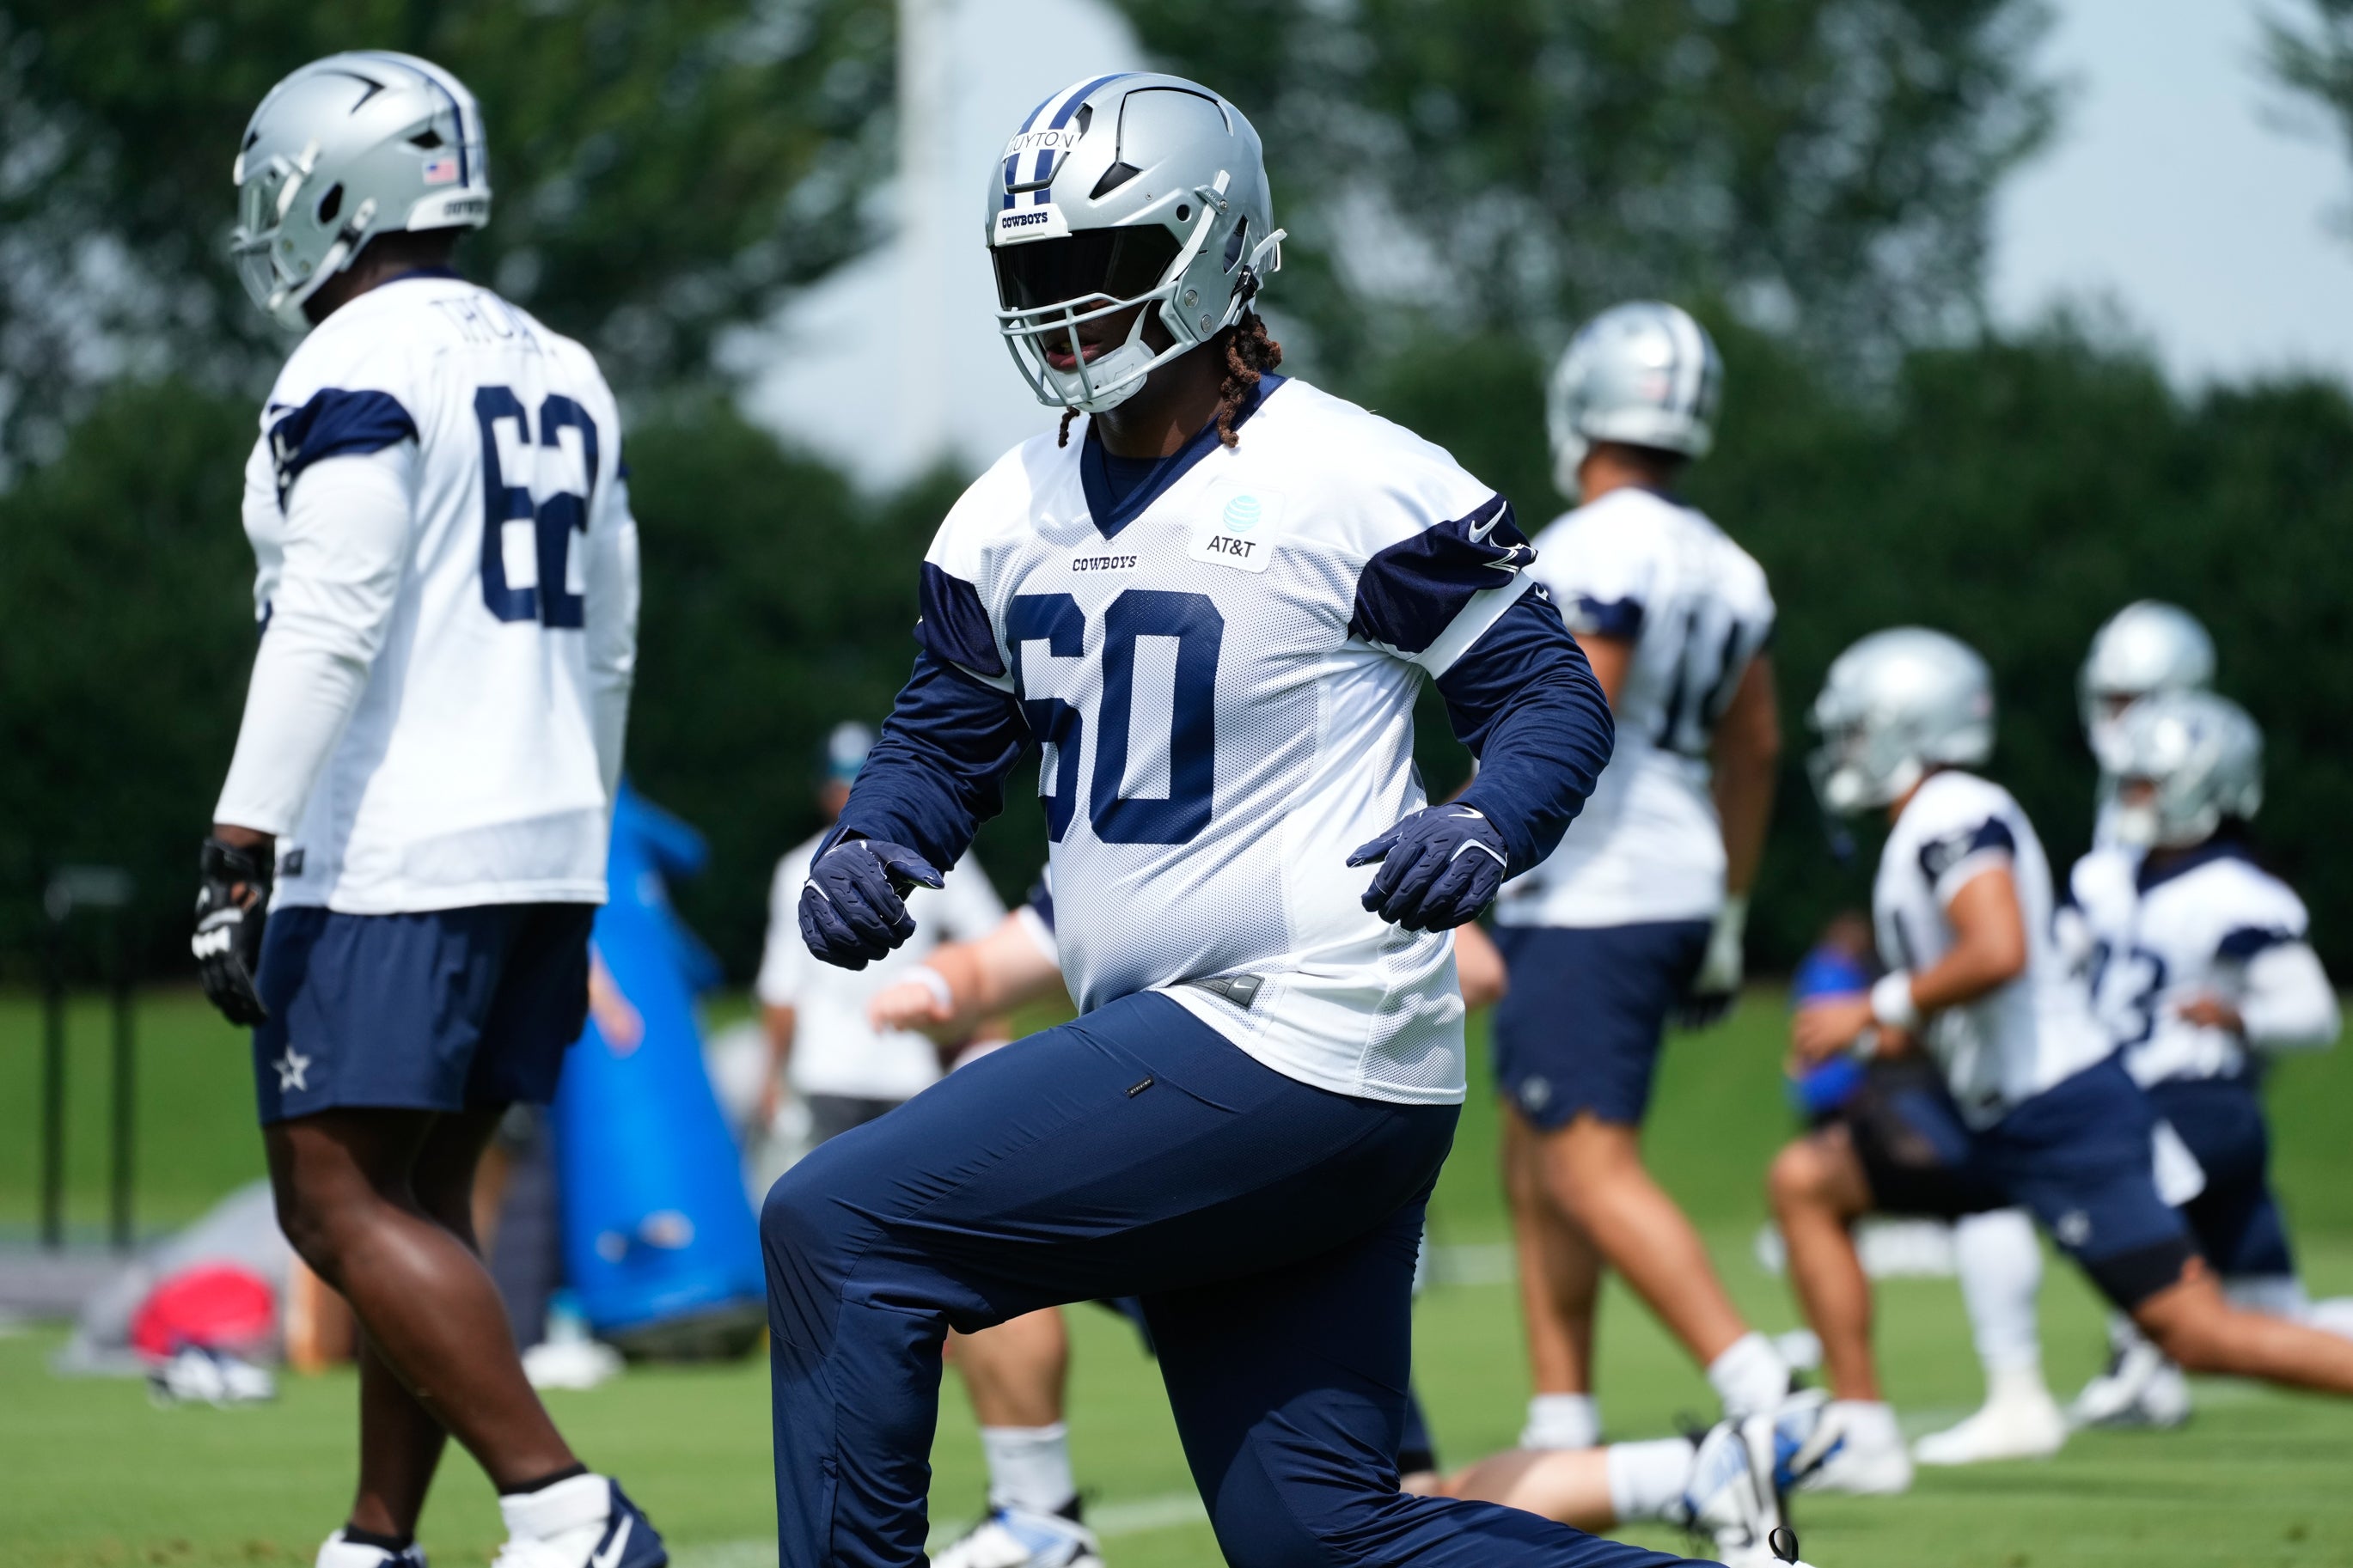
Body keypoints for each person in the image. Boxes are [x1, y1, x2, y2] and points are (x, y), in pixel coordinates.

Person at [760, 70, 1776, 1568]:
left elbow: (1547, 700)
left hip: (1292, 1028)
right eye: (1028, 276)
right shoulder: (1004, 508)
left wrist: (1488, 820)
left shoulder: (1351, 476)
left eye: (1087, 268)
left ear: (1207, 249)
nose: (1054, 309)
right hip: (1237, 1060)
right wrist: (877, 841)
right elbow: (945, 731)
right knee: (1318, 1542)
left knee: (839, 1227)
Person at [189, 54, 661, 1568]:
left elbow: (333, 604)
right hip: (536, 826)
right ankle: (377, 1538)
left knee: (331, 1200)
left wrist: (240, 834)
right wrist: (580, 840)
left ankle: (564, 1507)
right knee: (422, 1196)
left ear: (342, 188)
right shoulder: (562, 364)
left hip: (398, 841)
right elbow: (611, 636)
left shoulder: (351, 360)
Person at [1769, 628, 2353, 1496]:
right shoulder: (1930, 821)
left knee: (2195, 1334)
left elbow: (1996, 948)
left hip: (2059, 1113)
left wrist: (1875, 1006)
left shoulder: (1951, 812)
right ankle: (1861, 1433)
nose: (1844, 750)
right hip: (1997, 1111)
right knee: (1805, 1179)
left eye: (1856, 728)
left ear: (1903, 726)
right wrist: (1878, 1035)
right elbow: (1986, 992)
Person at [865, 875, 1511, 1568]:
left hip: (1288, 1193)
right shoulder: (1126, 863)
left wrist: (1283, 1021)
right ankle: (1037, 1517)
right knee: (964, 1219)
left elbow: (1474, 967)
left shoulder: (1296, 843)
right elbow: (994, 962)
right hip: (1190, 1184)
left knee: (1369, 1523)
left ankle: (1642, 1476)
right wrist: (936, 983)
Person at [1488, 302, 1793, 1455]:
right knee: (1535, 1150)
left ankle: (1761, 1387)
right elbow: (1753, 748)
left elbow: (1578, 710)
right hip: (1671, 877)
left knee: (1580, 1153)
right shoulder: (1728, 561)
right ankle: (1559, 1413)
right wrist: (1728, 911)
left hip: (1590, 885)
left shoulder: (1590, 546)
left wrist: (1482, 839)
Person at [1924, 599, 2222, 1456]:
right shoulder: (2110, 827)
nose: (2116, 723)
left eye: (2135, 701)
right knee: (2217, 1313)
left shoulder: (2175, 829)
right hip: (2096, 1064)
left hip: (2125, 1073)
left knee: (2219, 1323)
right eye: (2110, 700)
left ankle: (2057, 1381)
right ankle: (2090, 1373)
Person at [2065, 691, 2352, 1425]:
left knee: (2112, 1203)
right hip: (2159, 1097)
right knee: (2273, 1313)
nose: (2130, 796)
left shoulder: (2235, 892)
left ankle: (2138, 1361)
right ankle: (2146, 1363)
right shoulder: (2113, 878)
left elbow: (2314, 1013)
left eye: (2146, 782)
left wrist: (2241, 1014)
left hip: (2197, 1104)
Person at [755, 722, 1007, 1145]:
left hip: (904, 1070)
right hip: (834, 1072)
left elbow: (992, 946)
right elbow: (783, 990)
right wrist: (770, 1077)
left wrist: (990, 1044)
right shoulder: (933, 855)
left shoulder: (935, 856)